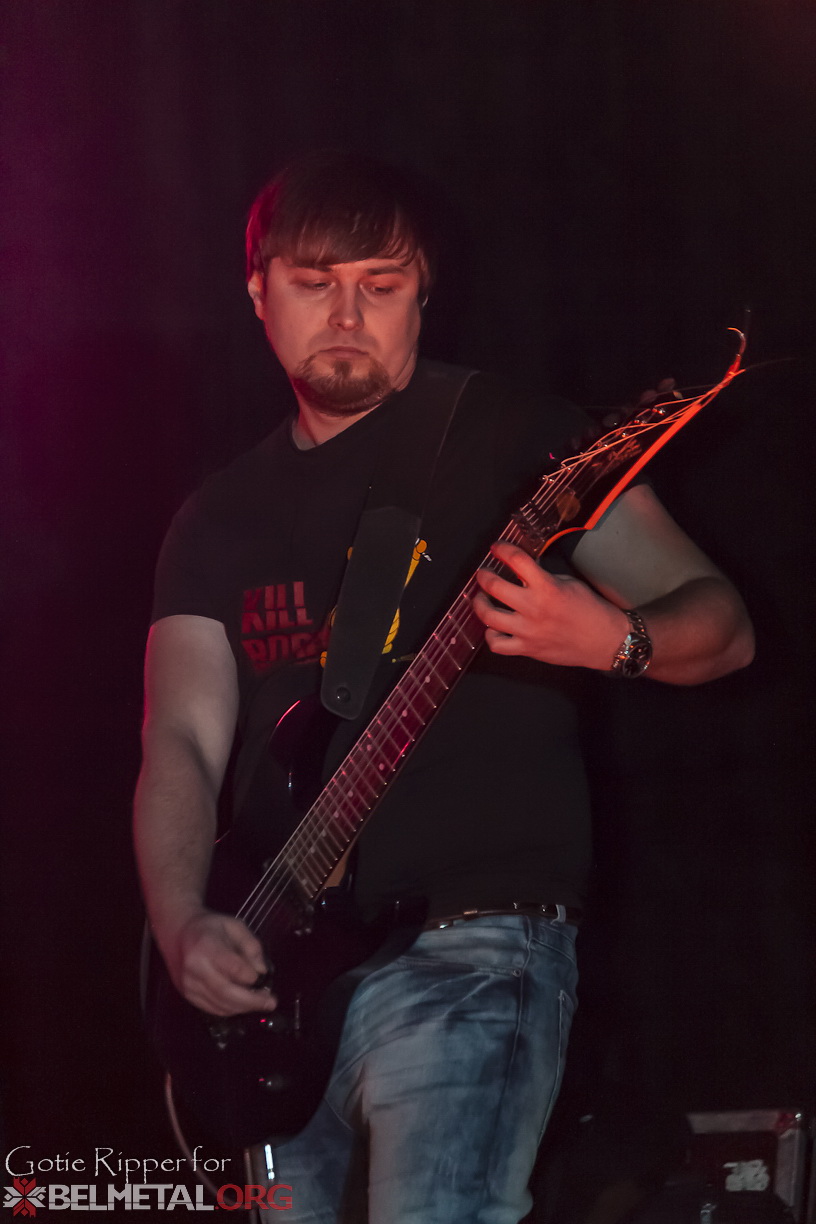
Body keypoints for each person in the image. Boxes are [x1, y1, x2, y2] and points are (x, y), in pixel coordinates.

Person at [133, 151, 754, 1224]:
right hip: (277, 984)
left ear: (424, 291)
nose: (347, 314)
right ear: (258, 293)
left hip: (476, 941)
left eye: (380, 284)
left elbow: (724, 626)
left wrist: (612, 639)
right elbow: (180, 741)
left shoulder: (515, 439)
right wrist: (182, 918)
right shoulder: (216, 519)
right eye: (314, 283)